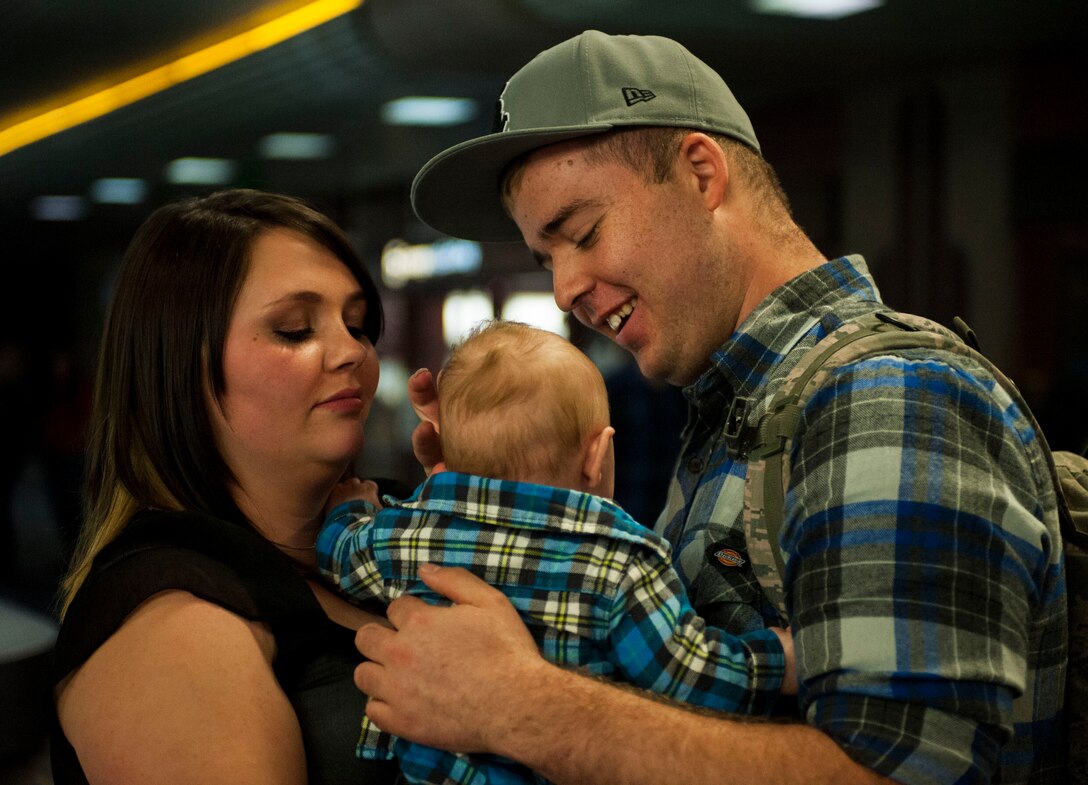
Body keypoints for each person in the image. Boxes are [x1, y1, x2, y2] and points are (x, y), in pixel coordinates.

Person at [353, 30, 1068, 785]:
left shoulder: (887, 394)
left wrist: (523, 708)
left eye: (584, 232)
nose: (563, 289)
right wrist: (503, 506)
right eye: (547, 257)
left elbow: (899, 773)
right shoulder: (740, 408)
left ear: (700, 172)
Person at [317, 319, 795, 784]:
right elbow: (695, 676)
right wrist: (781, 659)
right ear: (597, 457)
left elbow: (339, 553)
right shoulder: (620, 563)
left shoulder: (402, 535)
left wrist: (351, 510)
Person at [50, 189, 402, 785]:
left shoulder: (395, 523)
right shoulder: (170, 626)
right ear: (179, 364)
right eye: (295, 329)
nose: (352, 352)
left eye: (358, 324)